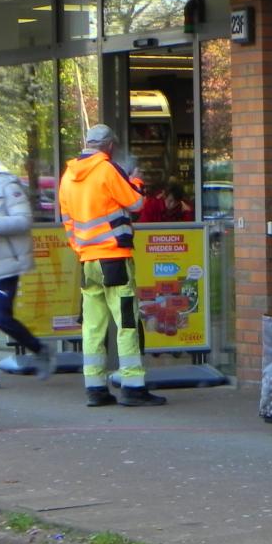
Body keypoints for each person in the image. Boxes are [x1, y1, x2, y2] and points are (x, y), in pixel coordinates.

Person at [58, 124, 165, 407]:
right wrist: (137, 182)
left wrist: (81, 248)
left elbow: (67, 221)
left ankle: (95, 387)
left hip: (87, 261)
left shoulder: (68, 175)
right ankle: (132, 386)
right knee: (126, 322)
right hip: (114, 258)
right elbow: (137, 203)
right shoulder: (108, 169)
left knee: (93, 326)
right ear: (109, 146)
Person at [0, 149, 53, 390]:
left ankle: (40, 350)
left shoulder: (7, 187)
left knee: (0, 317)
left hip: (4, 264)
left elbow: (24, 220)